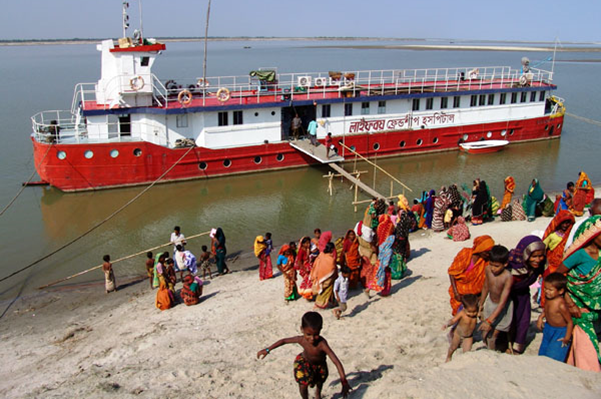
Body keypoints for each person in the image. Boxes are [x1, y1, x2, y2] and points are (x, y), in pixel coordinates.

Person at [257, 312, 351, 399]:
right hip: (304, 362)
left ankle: (318, 395)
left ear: (320, 329)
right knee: (302, 385)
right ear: (302, 329)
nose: (312, 338)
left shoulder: (322, 344)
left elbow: (336, 362)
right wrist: (267, 349)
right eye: (308, 334)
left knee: (320, 381)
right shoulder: (301, 340)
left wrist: (344, 381)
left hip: (320, 365)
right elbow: (284, 341)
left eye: (316, 334)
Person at [558, 215, 601, 371]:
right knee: (586, 346)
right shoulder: (580, 254)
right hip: (579, 307)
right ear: (593, 235)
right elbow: (558, 276)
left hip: (597, 307)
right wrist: (569, 303)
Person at [508, 235, 546, 354]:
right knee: (509, 320)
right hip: (507, 296)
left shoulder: (540, 265)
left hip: (523, 295)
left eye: (540, 256)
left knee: (523, 320)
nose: (538, 259)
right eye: (534, 256)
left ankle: (517, 347)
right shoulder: (511, 264)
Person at [447, 235, 495, 315]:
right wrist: (456, 293)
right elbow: (452, 273)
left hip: (475, 297)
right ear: (480, 249)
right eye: (486, 252)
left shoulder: (486, 261)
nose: (488, 255)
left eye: (489, 253)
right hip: (460, 292)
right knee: (460, 316)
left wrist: (480, 297)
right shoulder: (465, 253)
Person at [478, 245, 513, 351]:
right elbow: (486, 286)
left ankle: (491, 354)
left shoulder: (508, 277)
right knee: (486, 333)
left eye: (497, 266)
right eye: (491, 264)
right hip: (490, 304)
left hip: (503, 308)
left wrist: (489, 320)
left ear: (505, 264)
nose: (493, 268)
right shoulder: (488, 270)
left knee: (494, 334)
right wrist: (481, 303)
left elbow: (503, 302)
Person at [536, 273, 573, 362]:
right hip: (548, 329)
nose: (547, 291)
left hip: (560, 332)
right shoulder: (549, 298)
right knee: (543, 354)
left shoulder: (561, 305)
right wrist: (541, 317)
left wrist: (567, 338)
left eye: (550, 290)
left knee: (554, 357)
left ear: (560, 291)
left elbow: (569, 322)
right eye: (545, 288)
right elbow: (546, 309)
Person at [442, 294, 479, 362]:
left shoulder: (477, 313)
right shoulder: (462, 313)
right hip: (458, 335)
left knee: (467, 352)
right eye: (469, 312)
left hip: (468, 336)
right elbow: (453, 320)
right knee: (453, 347)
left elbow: (482, 318)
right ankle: (449, 356)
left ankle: (463, 361)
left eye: (474, 311)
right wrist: (447, 324)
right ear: (464, 308)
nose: (472, 314)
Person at [366, 214, 395, 297]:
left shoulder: (380, 227)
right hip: (385, 257)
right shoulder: (391, 226)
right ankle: (384, 292)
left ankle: (370, 288)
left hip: (381, 251)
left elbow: (377, 238)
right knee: (385, 275)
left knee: (378, 275)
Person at [542, 210, 575, 279]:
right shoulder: (552, 234)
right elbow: (543, 248)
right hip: (552, 263)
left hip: (565, 263)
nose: (565, 225)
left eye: (568, 223)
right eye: (563, 222)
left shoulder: (571, 234)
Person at [311, 242, 338, 309]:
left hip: (319, 275)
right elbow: (331, 269)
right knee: (326, 290)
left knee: (324, 290)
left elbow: (316, 264)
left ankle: (331, 302)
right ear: (332, 249)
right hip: (326, 277)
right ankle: (321, 303)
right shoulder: (330, 259)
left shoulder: (321, 254)